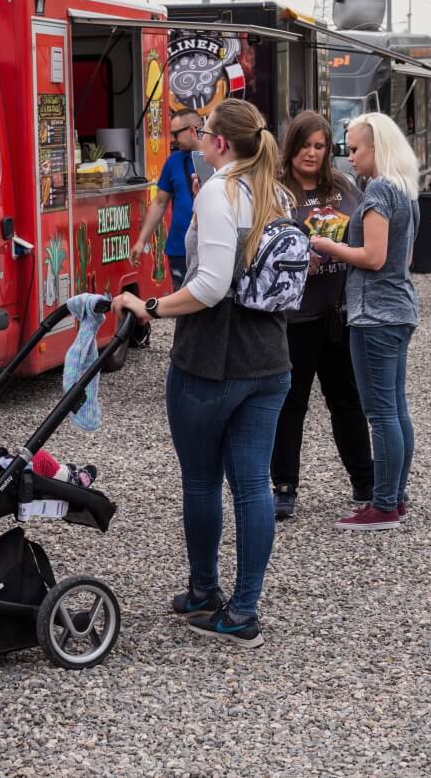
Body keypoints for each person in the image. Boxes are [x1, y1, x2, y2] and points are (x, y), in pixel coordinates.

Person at [111, 99, 291, 649]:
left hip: (213, 357)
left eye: (202, 132)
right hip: (269, 355)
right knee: (254, 485)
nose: (195, 139)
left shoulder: (218, 190)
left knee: (201, 481)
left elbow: (211, 285)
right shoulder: (275, 193)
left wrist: (152, 308)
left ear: (218, 143)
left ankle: (205, 591)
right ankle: (245, 608)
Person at [310, 112, 420, 532]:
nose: (348, 157)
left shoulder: (377, 195)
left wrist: (328, 245)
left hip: (374, 313)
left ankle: (385, 503)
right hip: (399, 308)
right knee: (396, 409)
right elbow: (401, 258)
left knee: (381, 414)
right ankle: (396, 494)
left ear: (378, 148)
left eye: (354, 148)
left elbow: (373, 258)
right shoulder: (405, 191)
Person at [268, 111, 373, 519]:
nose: (312, 153)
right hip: (294, 317)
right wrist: (294, 258)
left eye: (320, 146)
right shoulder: (276, 191)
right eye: (305, 145)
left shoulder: (343, 186)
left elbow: (367, 231)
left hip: (338, 313)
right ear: (290, 146)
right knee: (290, 403)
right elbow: (259, 244)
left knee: (346, 400)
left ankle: (365, 480)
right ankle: (284, 486)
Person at [132, 110, 202, 289]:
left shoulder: (217, 157)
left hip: (210, 247)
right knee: (183, 311)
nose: (172, 139)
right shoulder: (173, 161)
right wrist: (141, 240)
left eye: (176, 134)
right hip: (179, 249)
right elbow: (159, 202)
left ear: (192, 131)